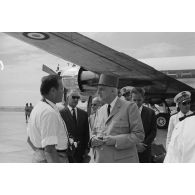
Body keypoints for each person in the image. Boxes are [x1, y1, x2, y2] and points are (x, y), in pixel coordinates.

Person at [90, 74, 144, 163]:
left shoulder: (130, 107)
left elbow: (139, 135)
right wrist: (93, 140)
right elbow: (94, 133)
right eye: (98, 90)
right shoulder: (100, 111)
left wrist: (115, 140)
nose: (98, 93)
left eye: (102, 89)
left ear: (112, 91)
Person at [27, 75, 69, 163]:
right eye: (61, 88)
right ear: (53, 91)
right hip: (55, 158)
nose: (63, 92)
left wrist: (39, 152)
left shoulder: (38, 107)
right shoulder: (49, 112)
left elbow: (29, 139)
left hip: (42, 157)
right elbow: (50, 150)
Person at [59, 89, 90, 163]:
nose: (76, 99)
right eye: (73, 97)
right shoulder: (60, 114)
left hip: (81, 153)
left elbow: (86, 133)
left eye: (77, 97)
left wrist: (87, 149)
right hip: (66, 153)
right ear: (67, 98)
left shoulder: (84, 114)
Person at [131, 87, 157, 163]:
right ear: (131, 99)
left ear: (143, 98)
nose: (136, 103)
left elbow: (153, 131)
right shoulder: (125, 112)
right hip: (130, 150)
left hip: (145, 150)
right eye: (134, 100)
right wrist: (135, 145)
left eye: (139, 100)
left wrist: (144, 144)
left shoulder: (151, 113)